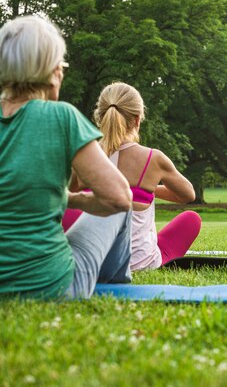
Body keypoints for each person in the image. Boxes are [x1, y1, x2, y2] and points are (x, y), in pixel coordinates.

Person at [0, 16, 133, 299]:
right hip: (51, 286)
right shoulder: (61, 117)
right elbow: (118, 198)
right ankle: (117, 281)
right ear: (51, 71)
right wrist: (73, 199)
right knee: (125, 202)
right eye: (61, 65)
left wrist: (64, 198)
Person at [63, 82, 202, 271]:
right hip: (141, 263)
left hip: (92, 260)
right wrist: (147, 190)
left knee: (67, 209)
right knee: (191, 219)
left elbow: (69, 197)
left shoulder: (85, 154)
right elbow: (188, 195)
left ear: (100, 118)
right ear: (137, 120)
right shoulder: (153, 158)